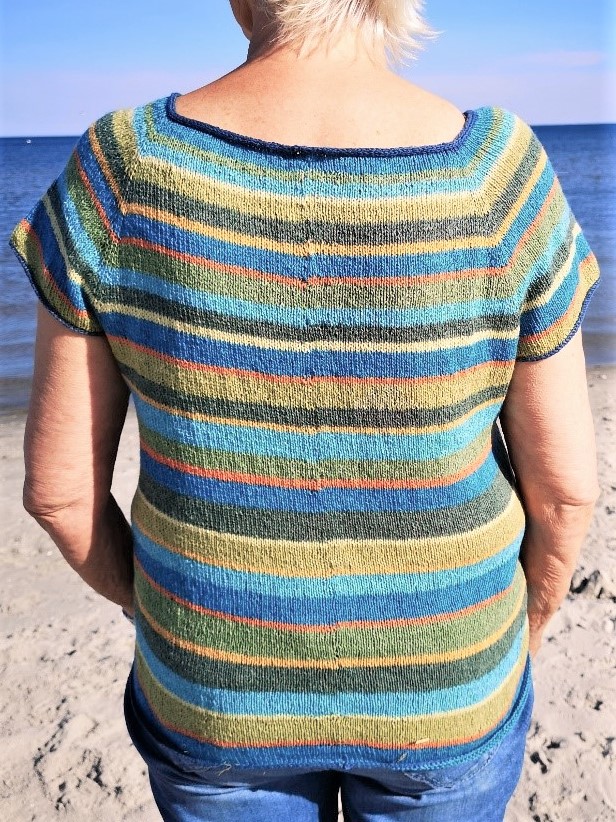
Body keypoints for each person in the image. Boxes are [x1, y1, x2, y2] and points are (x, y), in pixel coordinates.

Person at [10, 1, 601, 820]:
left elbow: (59, 494)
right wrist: (514, 635)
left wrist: (167, 614)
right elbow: (566, 490)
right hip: (450, 686)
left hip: (212, 693)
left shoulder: (124, 170)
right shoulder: (499, 177)